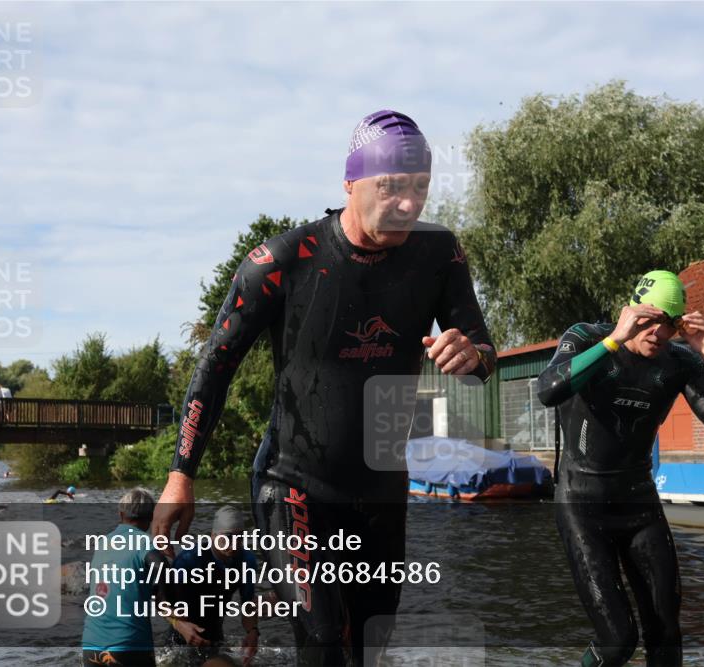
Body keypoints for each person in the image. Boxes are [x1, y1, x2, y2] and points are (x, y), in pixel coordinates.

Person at [153, 109, 497, 666]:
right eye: (390, 187)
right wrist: (180, 476)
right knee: (322, 640)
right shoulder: (282, 261)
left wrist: (471, 354)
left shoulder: (439, 254)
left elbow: (486, 355)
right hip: (293, 484)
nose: (408, 204)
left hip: (382, 487)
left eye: (421, 189)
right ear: (350, 182)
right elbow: (214, 367)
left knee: (368, 648)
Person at [537, 270, 704, 667]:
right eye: (649, 320)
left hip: (639, 505)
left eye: (669, 324)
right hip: (582, 503)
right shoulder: (587, 337)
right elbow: (548, 389)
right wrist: (614, 340)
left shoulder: (679, 362)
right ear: (632, 311)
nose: (657, 332)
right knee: (618, 640)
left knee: (666, 635)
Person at [82, 488, 202, 667]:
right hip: (128, 646)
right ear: (151, 517)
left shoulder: (102, 543)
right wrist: (169, 603)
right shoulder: (144, 542)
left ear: (121, 514)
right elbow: (160, 565)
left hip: (91, 647)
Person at [166, 506, 263, 667]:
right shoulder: (189, 560)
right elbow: (160, 601)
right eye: (228, 537)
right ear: (213, 536)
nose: (234, 544)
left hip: (215, 638)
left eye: (240, 538)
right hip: (181, 641)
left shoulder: (246, 560)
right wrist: (179, 625)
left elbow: (248, 604)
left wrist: (252, 631)